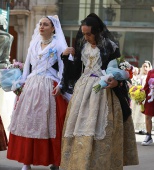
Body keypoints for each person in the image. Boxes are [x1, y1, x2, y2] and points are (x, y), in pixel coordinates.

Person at [60, 13, 139, 170]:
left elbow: (122, 68)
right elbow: (75, 71)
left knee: (102, 129)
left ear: (97, 31)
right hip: (83, 89)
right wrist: (65, 58)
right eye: (83, 34)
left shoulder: (110, 46)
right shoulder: (81, 45)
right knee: (80, 128)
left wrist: (117, 81)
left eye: (89, 34)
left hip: (104, 90)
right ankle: (81, 164)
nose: (86, 37)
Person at [7, 15, 68, 170]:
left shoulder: (58, 45)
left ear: (53, 28)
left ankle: (55, 161)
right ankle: (26, 161)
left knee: (49, 124)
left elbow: (62, 69)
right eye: (40, 24)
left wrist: (61, 85)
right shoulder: (33, 44)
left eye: (45, 25)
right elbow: (27, 67)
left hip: (49, 85)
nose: (41, 27)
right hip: (32, 85)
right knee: (28, 122)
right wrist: (21, 83)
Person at [131, 61, 152, 135]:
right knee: (136, 112)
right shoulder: (139, 76)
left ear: (149, 68)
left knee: (144, 114)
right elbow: (134, 84)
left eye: (146, 67)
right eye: (144, 66)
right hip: (138, 97)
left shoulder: (150, 76)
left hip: (146, 97)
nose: (145, 68)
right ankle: (135, 126)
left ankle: (143, 128)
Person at [141, 68, 154, 145]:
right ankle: (148, 136)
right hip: (150, 99)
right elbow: (146, 85)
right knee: (147, 117)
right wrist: (141, 96)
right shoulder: (151, 72)